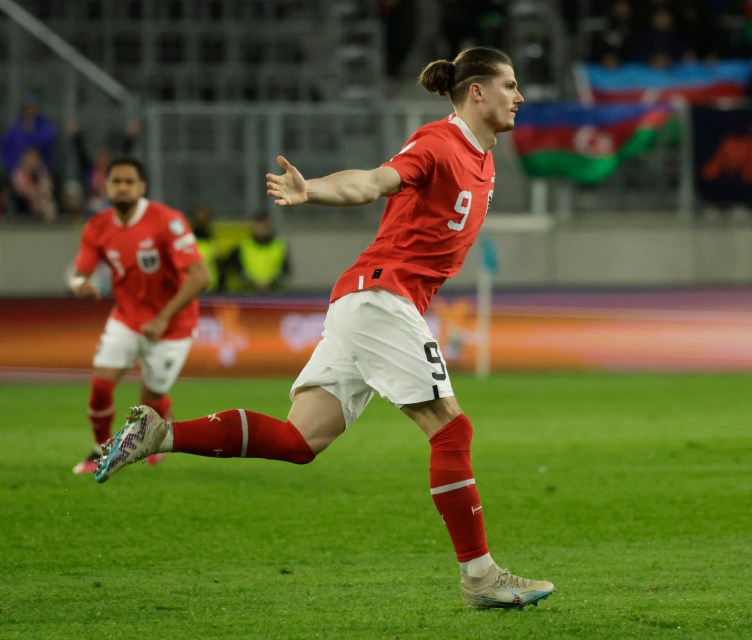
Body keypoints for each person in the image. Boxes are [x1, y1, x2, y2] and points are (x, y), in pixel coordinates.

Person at [93, 47, 554, 610]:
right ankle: (481, 579)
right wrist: (313, 190)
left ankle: (161, 435)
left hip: (365, 303)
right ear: (476, 92)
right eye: (509, 85)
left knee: (299, 441)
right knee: (451, 432)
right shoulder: (440, 141)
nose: (520, 96)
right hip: (381, 298)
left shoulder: (485, 159)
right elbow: (373, 181)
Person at [70, 157, 210, 474]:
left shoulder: (167, 221)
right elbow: (79, 273)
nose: (122, 187)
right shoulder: (98, 226)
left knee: (150, 397)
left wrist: (162, 317)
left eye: (129, 182)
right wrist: (80, 285)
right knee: (101, 387)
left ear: (142, 187)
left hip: (173, 325)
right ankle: (100, 451)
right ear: (106, 187)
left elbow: (201, 276)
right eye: (115, 181)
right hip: (127, 318)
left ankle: (159, 427)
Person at [220, 211, 291, 293]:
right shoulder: (243, 246)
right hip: (248, 295)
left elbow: (285, 271)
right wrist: (252, 282)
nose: (262, 229)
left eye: (265, 226)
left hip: (274, 294)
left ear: (270, 227)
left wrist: (271, 282)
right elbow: (234, 269)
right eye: (259, 226)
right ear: (253, 227)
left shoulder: (280, 246)